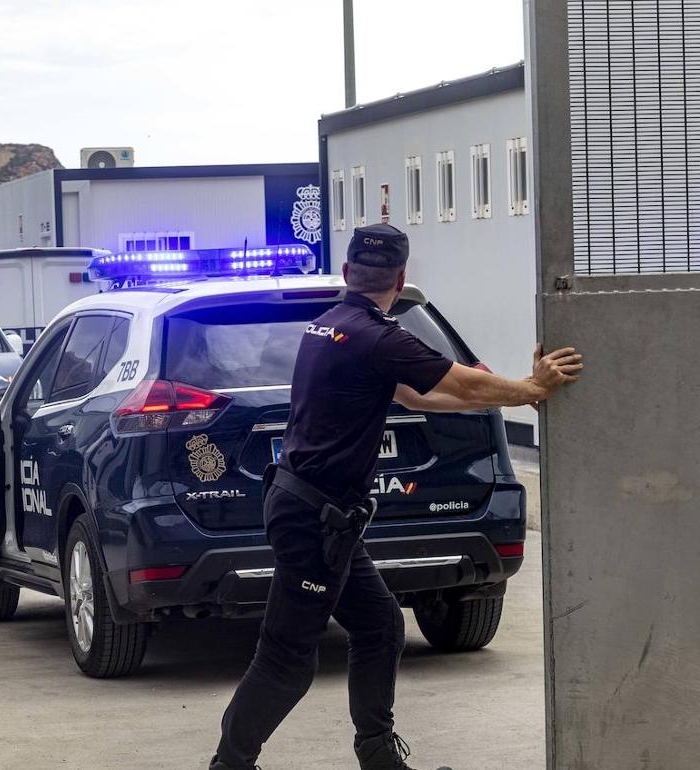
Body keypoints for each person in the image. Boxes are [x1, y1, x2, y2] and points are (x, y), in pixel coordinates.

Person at [210, 224, 583, 770]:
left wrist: (505, 397)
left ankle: (379, 754)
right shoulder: (377, 336)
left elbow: (415, 395)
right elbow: (461, 381)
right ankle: (230, 765)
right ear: (402, 278)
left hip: (321, 516)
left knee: (381, 626)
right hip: (314, 520)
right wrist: (531, 389)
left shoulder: (329, 326)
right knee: (287, 657)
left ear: (347, 272)